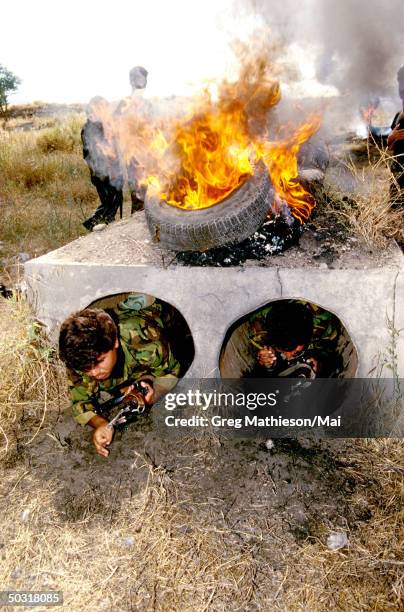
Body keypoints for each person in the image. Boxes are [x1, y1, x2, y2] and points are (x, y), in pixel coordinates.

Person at [59, 295, 180, 457]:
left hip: (159, 316)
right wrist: (100, 424)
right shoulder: (80, 358)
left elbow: (170, 371)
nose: (94, 372)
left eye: (100, 361)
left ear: (114, 342)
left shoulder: (144, 337)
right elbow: (80, 404)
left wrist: (154, 393)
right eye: (86, 368)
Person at [245, 301, 342, 378]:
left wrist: (320, 362)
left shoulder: (324, 324)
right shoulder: (258, 329)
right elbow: (260, 355)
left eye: (295, 351)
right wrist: (267, 360)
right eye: (283, 350)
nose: (289, 357)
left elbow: (330, 350)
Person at [82, 97, 125, 231]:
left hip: (112, 172)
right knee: (109, 203)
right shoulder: (89, 129)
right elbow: (92, 156)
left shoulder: (102, 125)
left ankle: (106, 225)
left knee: (115, 200)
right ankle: (94, 224)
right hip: (102, 174)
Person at [115, 66, 149, 213]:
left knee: (153, 197)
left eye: (142, 78)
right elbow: (115, 129)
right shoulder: (124, 104)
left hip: (149, 156)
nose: (140, 82)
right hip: (133, 156)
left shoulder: (148, 105)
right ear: (130, 81)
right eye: (136, 78)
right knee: (138, 198)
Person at [387, 66, 404, 209]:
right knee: (395, 211)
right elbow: (390, 145)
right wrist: (392, 136)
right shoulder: (399, 115)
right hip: (398, 174)